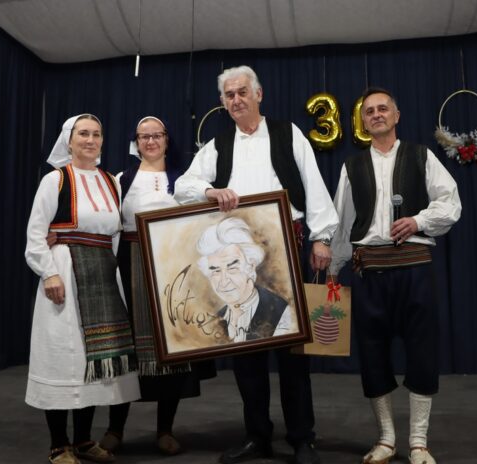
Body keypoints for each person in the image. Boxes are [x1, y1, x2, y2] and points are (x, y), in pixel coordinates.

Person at [174, 65, 339, 464]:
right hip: (237, 256)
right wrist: (211, 191)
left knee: (293, 350)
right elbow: (182, 188)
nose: (236, 100)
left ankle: (302, 438)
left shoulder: (287, 133)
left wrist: (322, 237)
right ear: (223, 102)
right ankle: (257, 436)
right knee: (246, 350)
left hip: (287, 247)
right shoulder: (218, 145)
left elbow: (314, 185)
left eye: (242, 92)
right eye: (229, 95)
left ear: (258, 94)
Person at [328, 87, 462, 464]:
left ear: (396, 115)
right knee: (372, 355)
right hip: (370, 273)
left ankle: (418, 442)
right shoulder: (352, 166)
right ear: (363, 121)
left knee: (422, 353)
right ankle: (386, 438)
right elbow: (342, 222)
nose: (376, 114)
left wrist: (419, 220)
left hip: (415, 269)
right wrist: (334, 270)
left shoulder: (421, 155)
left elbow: (451, 203)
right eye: (369, 111)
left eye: (382, 108)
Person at [98, 116, 216, 456]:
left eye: (157, 135)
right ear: (135, 142)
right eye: (144, 136)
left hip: (171, 266)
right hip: (130, 264)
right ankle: (115, 429)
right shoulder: (121, 180)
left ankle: (165, 429)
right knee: (126, 347)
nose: (150, 141)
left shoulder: (184, 180)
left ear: (167, 139)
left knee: (171, 347)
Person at [25, 114, 140, 464]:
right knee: (65, 357)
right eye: (83, 134)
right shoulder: (55, 180)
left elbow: (115, 234)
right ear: (69, 141)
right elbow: (35, 234)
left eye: (96, 134)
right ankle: (59, 444)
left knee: (94, 360)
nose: (90, 140)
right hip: (66, 274)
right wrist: (50, 274)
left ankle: (84, 440)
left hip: (103, 276)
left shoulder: (111, 181)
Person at [196, 217, 297, 343]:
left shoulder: (281, 313)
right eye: (215, 271)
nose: (223, 281)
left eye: (232, 268)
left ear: (251, 266)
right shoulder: (215, 322)